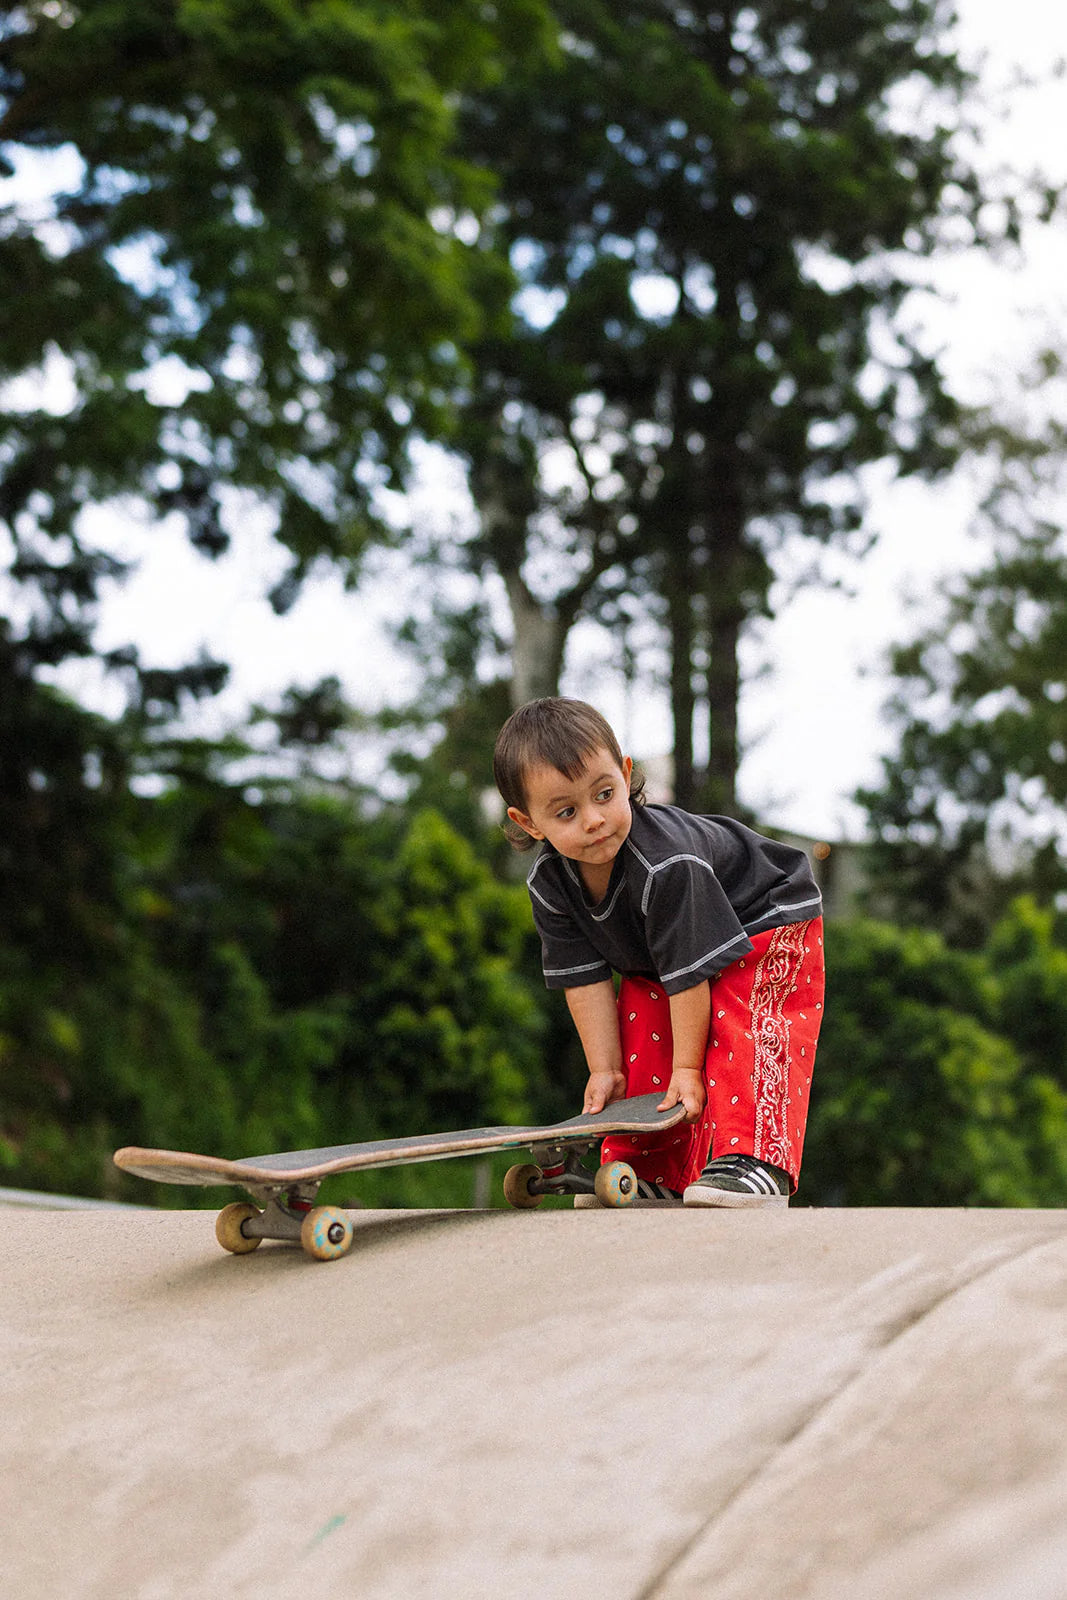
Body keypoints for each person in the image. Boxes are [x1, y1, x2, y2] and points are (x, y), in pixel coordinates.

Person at [493, 697, 824, 1208]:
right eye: (566, 811)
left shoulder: (667, 864)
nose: (594, 820)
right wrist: (604, 1069)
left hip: (765, 915)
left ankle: (757, 1160)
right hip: (659, 960)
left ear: (626, 775)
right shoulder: (550, 884)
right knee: (641, 1022)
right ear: (529, 822)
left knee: (746, 1019)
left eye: (605, 794)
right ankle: (651, 1171)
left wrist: (688, 1070)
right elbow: (584, 981)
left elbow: (689, 979)